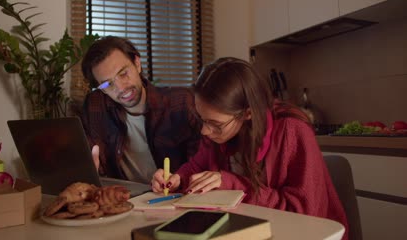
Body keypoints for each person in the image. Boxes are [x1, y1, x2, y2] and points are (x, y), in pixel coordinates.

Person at [151, 57, 349, 240]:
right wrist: (177, 179)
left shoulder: (292, 130)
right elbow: (196, 168)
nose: (204, 131)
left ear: (247, 114)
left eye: (215, 124)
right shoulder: (217, 135)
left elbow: (304, 213)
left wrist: (232, 185)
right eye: (201, 119)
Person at [80, 36, 202, 184]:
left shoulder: (182, 102)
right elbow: (93, 160)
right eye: (107, 85)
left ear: (137, 63)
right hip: (126, 199)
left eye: (123, 73)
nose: (121, 87)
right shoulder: (95, 105)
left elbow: (203, 165)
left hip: (176, 197)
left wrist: (178, 180)